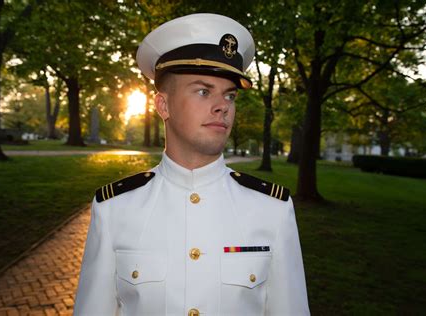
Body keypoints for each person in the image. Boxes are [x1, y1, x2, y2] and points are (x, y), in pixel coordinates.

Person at [74, 13, 310, 316]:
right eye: (203, 91)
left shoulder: (272, 210)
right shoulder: (114, 209)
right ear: (163, 105)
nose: (222, 106)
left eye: (230, 95)